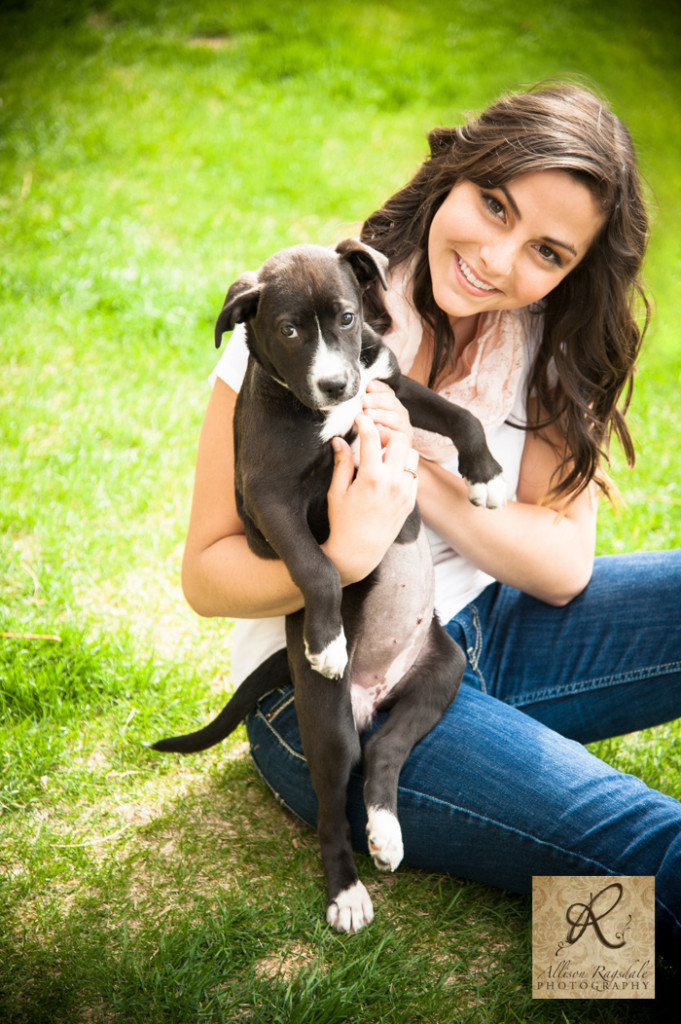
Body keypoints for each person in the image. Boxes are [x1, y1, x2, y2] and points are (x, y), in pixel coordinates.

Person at [181, 81, 681, 957]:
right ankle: (598, 982)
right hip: (326, 694)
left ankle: (518, 786)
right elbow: (206, 574)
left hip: (479, 635)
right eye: (493, 205)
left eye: (547, 252)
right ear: (454, 170)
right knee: (639, 839)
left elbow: (560, 567)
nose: (497, 258)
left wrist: (418, 474)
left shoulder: (548, 342)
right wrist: (344, 552)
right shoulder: (301, 313)